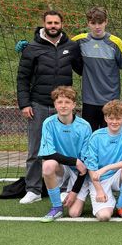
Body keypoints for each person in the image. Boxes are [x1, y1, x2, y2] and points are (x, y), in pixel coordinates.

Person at [16, 8, 81, 205]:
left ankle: (64, 188)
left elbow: (82, 69)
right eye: (49, 23)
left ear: (62, 24)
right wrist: (24, 104)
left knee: (65, 149)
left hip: (63, 107)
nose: (53, 26)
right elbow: (22, 78)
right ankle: (33, 189)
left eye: (56, 23)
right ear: (44, 24)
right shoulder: (31, 48)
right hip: (39, 104)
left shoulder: (71, 46)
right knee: (35, 149)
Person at [38, 86, 93, 221]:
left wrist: (74, 192)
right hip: (62, 167)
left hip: (80, 172)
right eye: (60, 102)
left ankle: (78, 192)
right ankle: (56, 207)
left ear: (73, 105)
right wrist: (74, 161)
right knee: (47, 165)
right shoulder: (48, 123)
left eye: (67, 102)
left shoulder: (84, 126)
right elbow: (46, 154)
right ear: (55, 104)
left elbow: (84, 165)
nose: (63, 106)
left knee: (74, 213)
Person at [71, 6, 122, 131]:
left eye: (100, 22)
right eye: (93, 23)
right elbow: (62, 49)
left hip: (111, 100)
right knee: (89, 135)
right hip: (89, 99)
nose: (97, 26)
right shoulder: (79, 41)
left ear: (106, 22)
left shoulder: (116, 42)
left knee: (110, 135)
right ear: (88, 23)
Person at [82, 99, 122, 221]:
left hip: (118, 175)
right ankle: (108, 199)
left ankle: (121, 206)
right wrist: (99, 190)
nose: (114, 122)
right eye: (111, 118)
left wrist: (105, 168)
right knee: (104, 217)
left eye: (118, 118)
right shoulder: (96, 136)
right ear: (105, 118)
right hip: (99, 179)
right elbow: (91, 167)